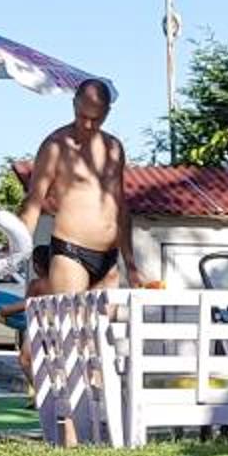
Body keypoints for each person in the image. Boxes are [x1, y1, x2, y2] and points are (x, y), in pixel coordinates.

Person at [15, 76, 138, 297]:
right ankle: (41, 288)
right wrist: (15, 247)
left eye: (96, 119)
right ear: (74, 105)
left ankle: (42, 287)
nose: (89, 125)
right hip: (72, 252)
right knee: (73, 316)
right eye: (83, 116)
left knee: (105, 319)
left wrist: (131, 266)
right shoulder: (56, 146)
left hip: (109, 258)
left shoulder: (114, 148)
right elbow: (33, 203)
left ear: (107, 112)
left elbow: (120, 207)